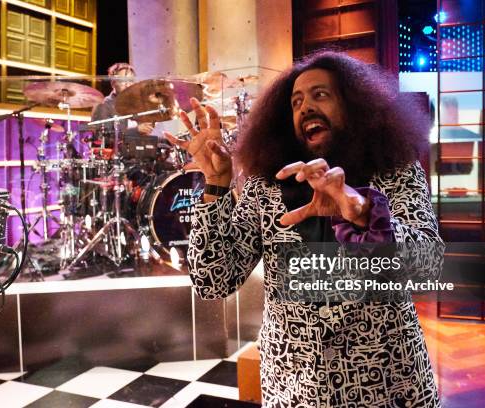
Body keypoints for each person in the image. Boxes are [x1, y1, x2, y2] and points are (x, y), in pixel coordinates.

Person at [165, 50, 442, 407]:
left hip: (388, 381)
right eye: (296, 102)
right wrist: (216, 185)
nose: (306, 107)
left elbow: (426, 266)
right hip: (295, 386)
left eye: (320, 95)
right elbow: (213, 280)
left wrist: (363, 213)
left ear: (355, 105)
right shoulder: (267, 185)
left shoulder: (395, 171)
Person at [91, 62, 154, 137]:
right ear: (113, 83)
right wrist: (136, 130)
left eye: (130, 81)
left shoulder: (135, 105)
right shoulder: (103, 105)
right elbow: (101, 136)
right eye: (123, 81)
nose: (127, 85)